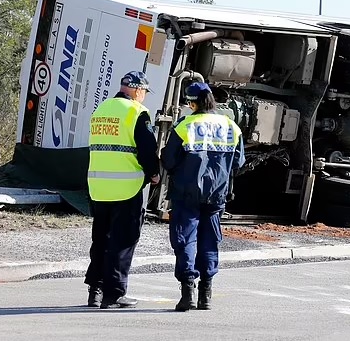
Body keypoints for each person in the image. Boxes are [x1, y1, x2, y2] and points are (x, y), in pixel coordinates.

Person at [161, 82, 245, 311]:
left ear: (192, 103)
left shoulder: (185, 126)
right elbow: (238, 162)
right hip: (217, 195)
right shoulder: (231, 126)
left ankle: (188, 291)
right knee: (209, 241)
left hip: (186, 193)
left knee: (186, 239)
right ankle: (206, 294)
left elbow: (168, 160)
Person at [84, 71, 160, 309]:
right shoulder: (136, 112)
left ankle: (95, 291)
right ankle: (114, 294)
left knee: (100, 240)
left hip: (98, 187)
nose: (144, 97)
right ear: (138, 90)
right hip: (126, 187)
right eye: (145, 92)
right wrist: (154, 173)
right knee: (123, 240)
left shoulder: (102, 110)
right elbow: (147, 147)